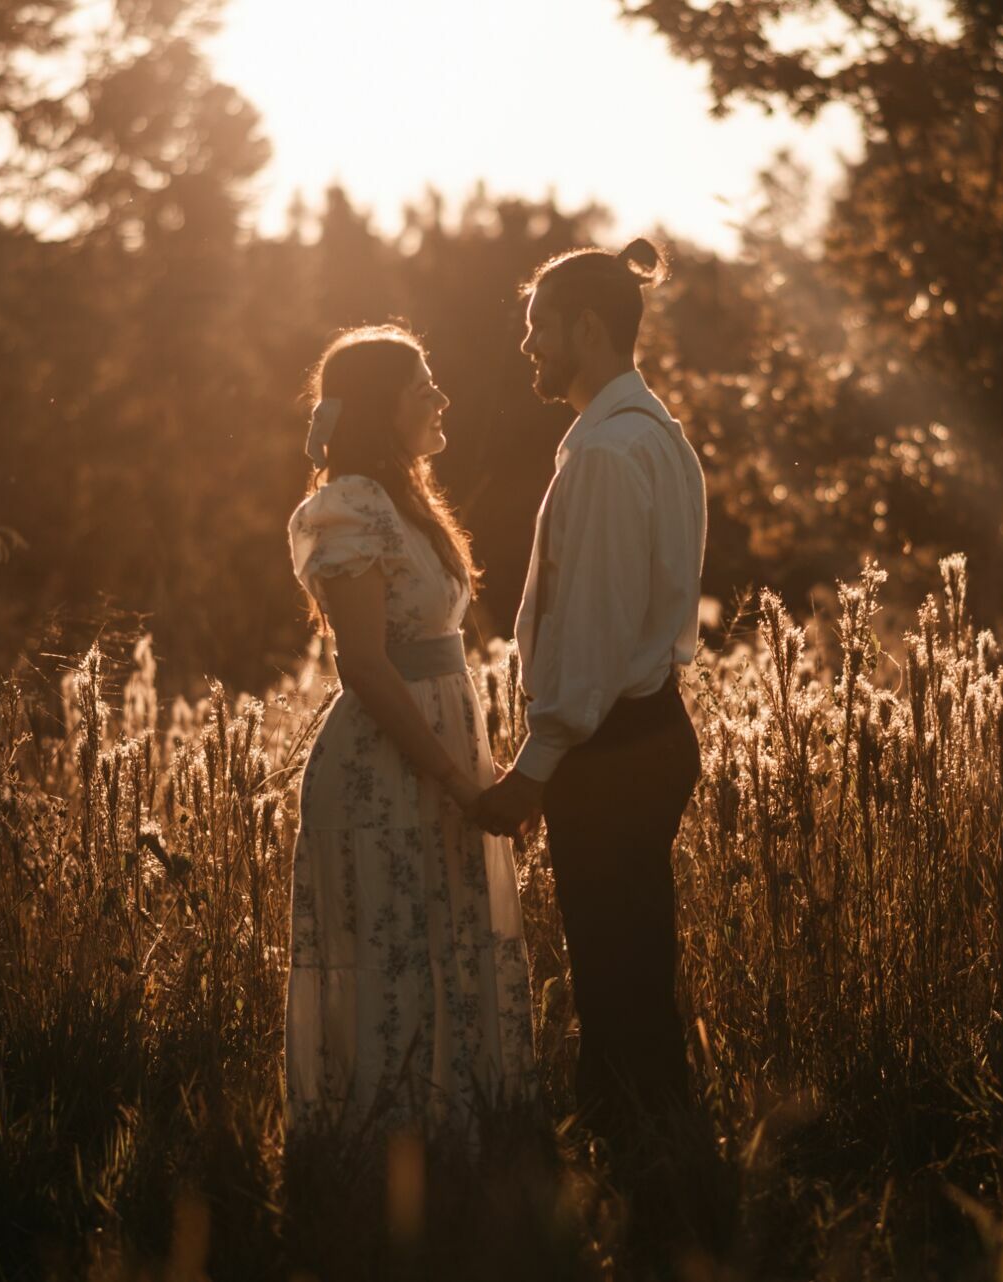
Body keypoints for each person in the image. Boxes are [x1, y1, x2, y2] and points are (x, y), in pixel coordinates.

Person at [472, 239, 709, 1159]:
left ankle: (637, 1162)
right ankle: (661, 1150)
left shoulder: (609, 454)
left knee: (616, 969)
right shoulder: (651, 435)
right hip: (644, 736)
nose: (527, 346)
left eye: (538, 328)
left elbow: (598, 633)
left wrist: (534, 769)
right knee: (633, 960)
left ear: (587, 327)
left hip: (610, 750)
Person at [282, 324, 536, 1138]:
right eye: (422, 383)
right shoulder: (350, 505)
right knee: (396, 946)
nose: (440, 397)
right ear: (376, 404)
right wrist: (454, 778)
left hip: (440, 744)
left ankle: (460, 1131)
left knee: (440, 935)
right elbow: (363, 662)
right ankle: (381, 1152)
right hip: (387, 764)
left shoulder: (402, 499)